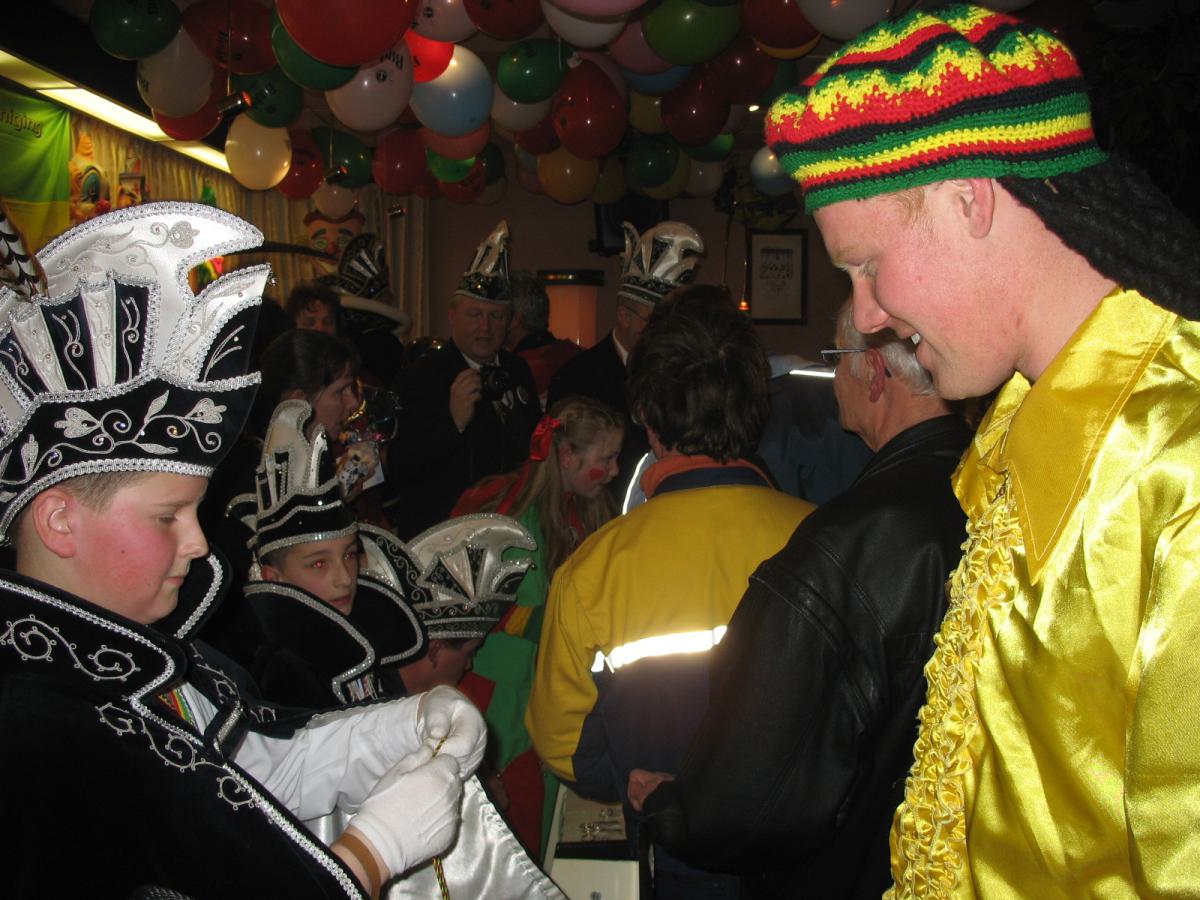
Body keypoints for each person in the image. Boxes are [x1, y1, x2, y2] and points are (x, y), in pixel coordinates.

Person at [764, 5, 1200, 897]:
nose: (867, 316)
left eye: (867, 264)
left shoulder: (1179, 471)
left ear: (970, 198)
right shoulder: (1022, 425)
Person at [0, 202, 486, 899]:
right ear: (59, 521)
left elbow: (246, 774)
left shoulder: (147, 658)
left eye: (193, 513)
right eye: (167, 516)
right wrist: (366, 859)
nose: (198, 543)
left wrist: (397, 727)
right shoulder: (31, 733)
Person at [636, 303, 972, 898]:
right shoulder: (990, 486)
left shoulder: (847, 543)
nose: (833, 378)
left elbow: (754, 788)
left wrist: (669, 809)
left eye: (837, 360)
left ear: (874, 374)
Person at [527, 285, 813, 899]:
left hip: (673, 852)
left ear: (649, 423)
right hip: (804, 858)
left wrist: (628, 780)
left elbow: (560, 743)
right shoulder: (824, 541)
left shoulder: (592, 571)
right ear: (754, 411)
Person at [453, 396, 625, 859]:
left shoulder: (583, 510)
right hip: (499, 701)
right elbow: (502, 615)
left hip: (536, 692)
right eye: (606, 458)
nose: (614, 471)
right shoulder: (511, 518)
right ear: (567, 456)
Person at [231, 399, 425, 712]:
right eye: (319, 563)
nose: (344, 579)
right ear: (273, 578)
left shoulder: (362, 634)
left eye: (350, 555)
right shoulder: (283, 675)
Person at [386, 221, 541, 539]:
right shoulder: (421, 375)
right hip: (441, 537)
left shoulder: (517, 370)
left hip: (508, 531)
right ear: (452, 316)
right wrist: (452, 422)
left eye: (496, 316)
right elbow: (398, 466)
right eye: (474, 314)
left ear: (509, 322)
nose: (485, 327)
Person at [547, 221, 704, 501]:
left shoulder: (682, 375)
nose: (663, 330)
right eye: (653, 319)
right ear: (624, 316)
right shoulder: (576, 377)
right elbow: (559, 470)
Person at [505, 270, 581, 408]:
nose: (486, 325)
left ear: (514, 318)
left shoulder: (516, 370)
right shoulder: (577, 355)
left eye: (496, 313)